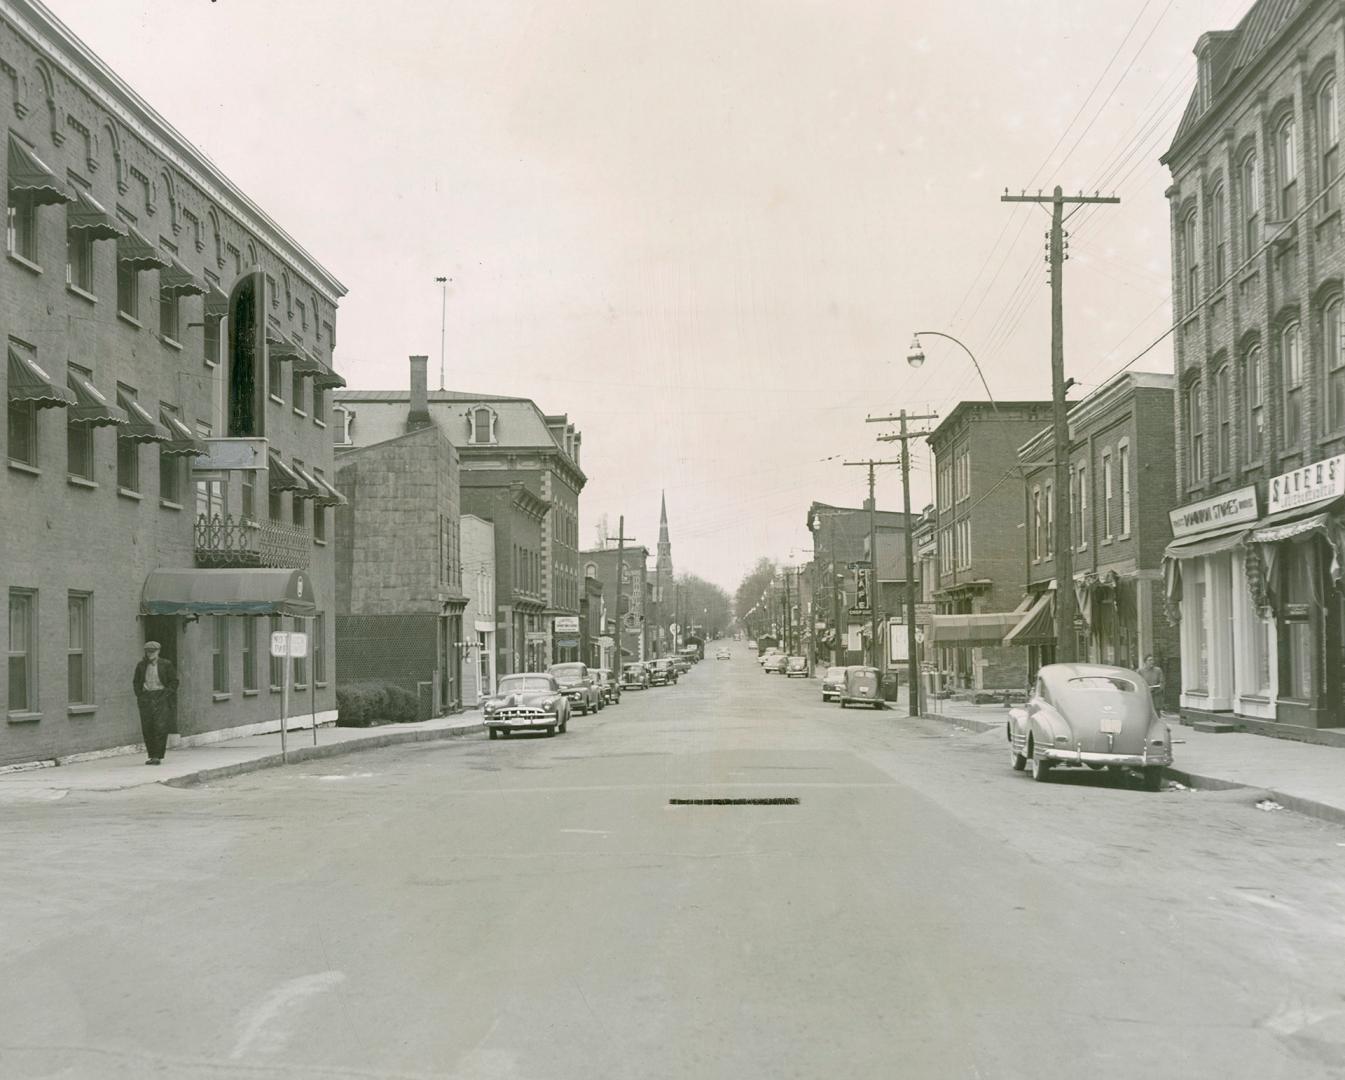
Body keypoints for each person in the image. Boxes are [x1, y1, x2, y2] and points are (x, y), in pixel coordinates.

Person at [133, 641, 179, 765]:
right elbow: (136, 682)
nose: (150, 654)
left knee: (160, 726)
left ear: (158, 651)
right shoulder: (141, 665)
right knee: (147, 727)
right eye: (148, 652)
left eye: (153, 652)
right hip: (146, 697)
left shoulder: (166, 664)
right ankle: (152, 755)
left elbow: (174, 681)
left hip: (161, 696)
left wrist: (166, 694)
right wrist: (140, 695)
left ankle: (158, 756)